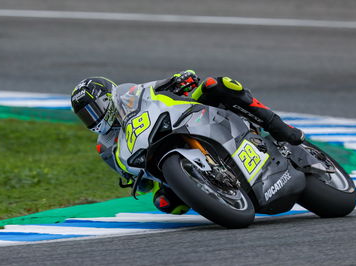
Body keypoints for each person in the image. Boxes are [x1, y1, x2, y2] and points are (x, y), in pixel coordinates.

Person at [70, 70, 305, 215]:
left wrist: (179, 80)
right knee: (166, 204)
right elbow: (136, 182)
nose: (92, 118)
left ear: (106, 99)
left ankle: (279, 127)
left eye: (93, 110)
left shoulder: (127, 95)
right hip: (158, 161)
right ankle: (215, 190)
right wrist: (136, 179)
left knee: (217, 84)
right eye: (85, 116)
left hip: (180, 117)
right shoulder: (105, 146)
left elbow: (154, 88)